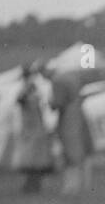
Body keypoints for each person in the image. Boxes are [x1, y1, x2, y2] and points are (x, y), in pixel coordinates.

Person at [47, 66, 95, 195]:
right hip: (77, 116)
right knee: (82, 152)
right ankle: (84, 184)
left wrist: (50, 103)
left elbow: (56, 103)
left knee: (72, 154)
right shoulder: (70, 78)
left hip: (70, 121)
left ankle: (72, 186)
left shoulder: (58, 81)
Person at [9, 63, 54, 193]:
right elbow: (20, 99)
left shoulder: (31, 90)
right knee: (33, 160)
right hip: (32, 130)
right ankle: (31, 186)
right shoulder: (26, 91)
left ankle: (33, 185)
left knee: (35, 160)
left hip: (35, 129)